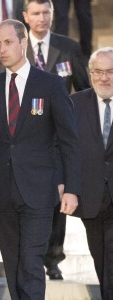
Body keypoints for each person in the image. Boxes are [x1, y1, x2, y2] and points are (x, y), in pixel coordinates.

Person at [0, 19, 81, 299]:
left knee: (30, 265)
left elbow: (69, 141)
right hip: (2, 191)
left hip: (39, 191)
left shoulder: (51, 85)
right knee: (14, 266)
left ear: (23, 42)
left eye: (8, 42)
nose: (2, 49)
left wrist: (72, 188)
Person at [22, 0, 90, 280]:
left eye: (46, 12)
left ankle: (53, 259)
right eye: (36, 13)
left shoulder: (69, 47)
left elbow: (84, 89)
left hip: (59, 139)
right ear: (26, 17)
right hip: (27, 139)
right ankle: (32, 257)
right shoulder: (16, 47)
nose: (42, 18)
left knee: (59, 197)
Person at [71, 47, 113, 300]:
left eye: (110, 72)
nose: (104, 78)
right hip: (91, 196)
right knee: (100, 256)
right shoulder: (75, 103)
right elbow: (62, 147)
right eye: (98, 72)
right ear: (89, 74)